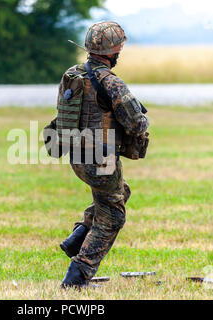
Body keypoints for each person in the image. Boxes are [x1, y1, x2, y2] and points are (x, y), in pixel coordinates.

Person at [56, 21, 150, 288]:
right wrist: (145, 121)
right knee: (114, 216)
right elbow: (135, 123)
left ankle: (79, 234)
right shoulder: (110, 82)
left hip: (77, 157)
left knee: (120, 192)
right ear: (114, 51)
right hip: (101, 159)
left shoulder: (72, 75)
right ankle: (78, 276)